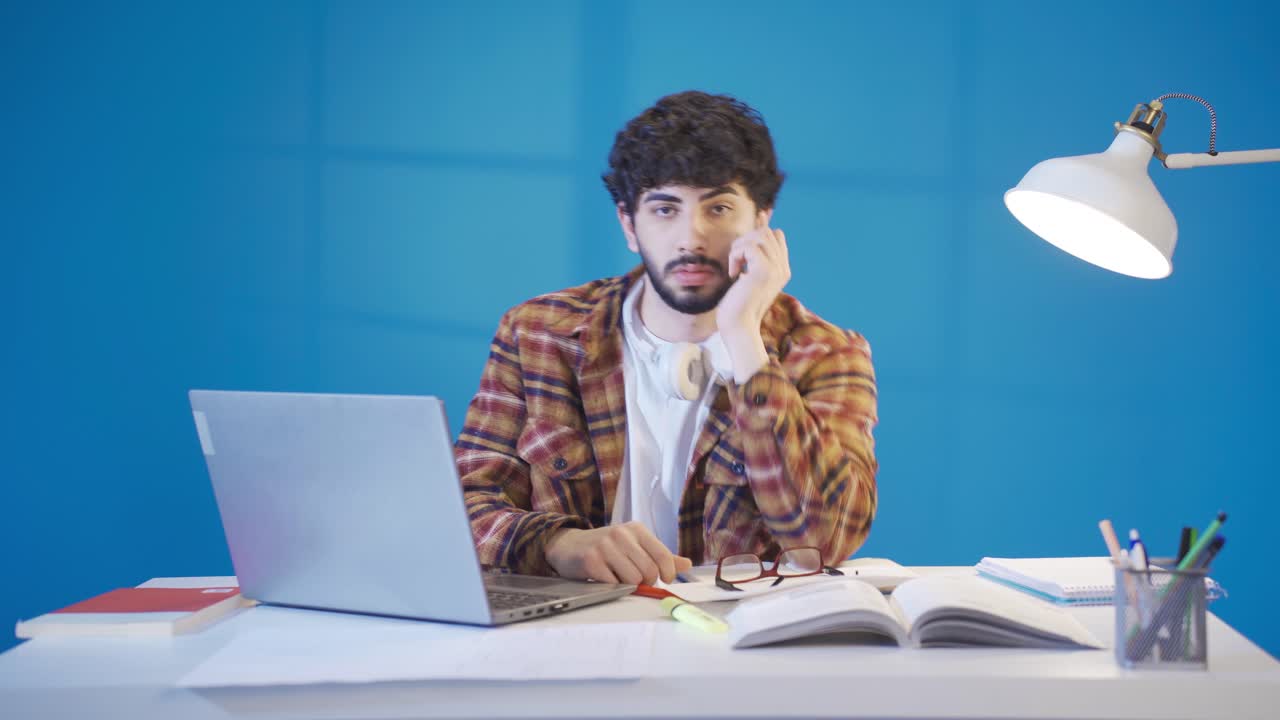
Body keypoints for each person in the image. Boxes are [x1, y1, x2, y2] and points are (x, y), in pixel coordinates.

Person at [456, 90, 877, 587]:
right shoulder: (538, 334)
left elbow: (825, 540)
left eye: (719, 208)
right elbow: (461, 506)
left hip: (734, 628)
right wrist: (558, 544)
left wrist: (744, 338)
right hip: (574, 621)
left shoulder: (826, 353)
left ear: (761, 222)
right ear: (629, 225)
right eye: (664, 209)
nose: (691, 237)